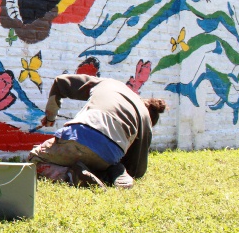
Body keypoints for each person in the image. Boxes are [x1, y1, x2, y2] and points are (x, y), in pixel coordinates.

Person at [28, 74, 167, 189]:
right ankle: (106, 174)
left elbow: (60, 82)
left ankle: (71, 175)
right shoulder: (144, 117)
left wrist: (50, 116)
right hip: (108, 155)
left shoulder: (110, 84)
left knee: (34, 159)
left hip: (79, 135)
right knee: (102, 160)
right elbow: (137, 170)